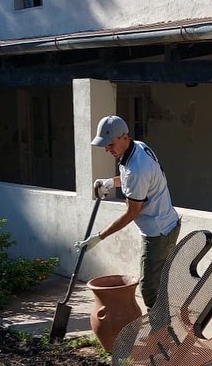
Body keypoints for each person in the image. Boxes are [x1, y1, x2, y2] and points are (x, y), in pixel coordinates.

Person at [75, 115, 181, 310]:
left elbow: (132, 212)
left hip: (159, 232)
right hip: (166, 225)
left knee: (149, 290)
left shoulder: (137, 169)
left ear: (124, 137)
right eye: (105, 145)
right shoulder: (137, 147)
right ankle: (168, 321)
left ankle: (161, 326)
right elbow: (131, 180)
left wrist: (98, 237)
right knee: (160, 283)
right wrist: (110, 182)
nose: (107, 149)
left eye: (110, 144)